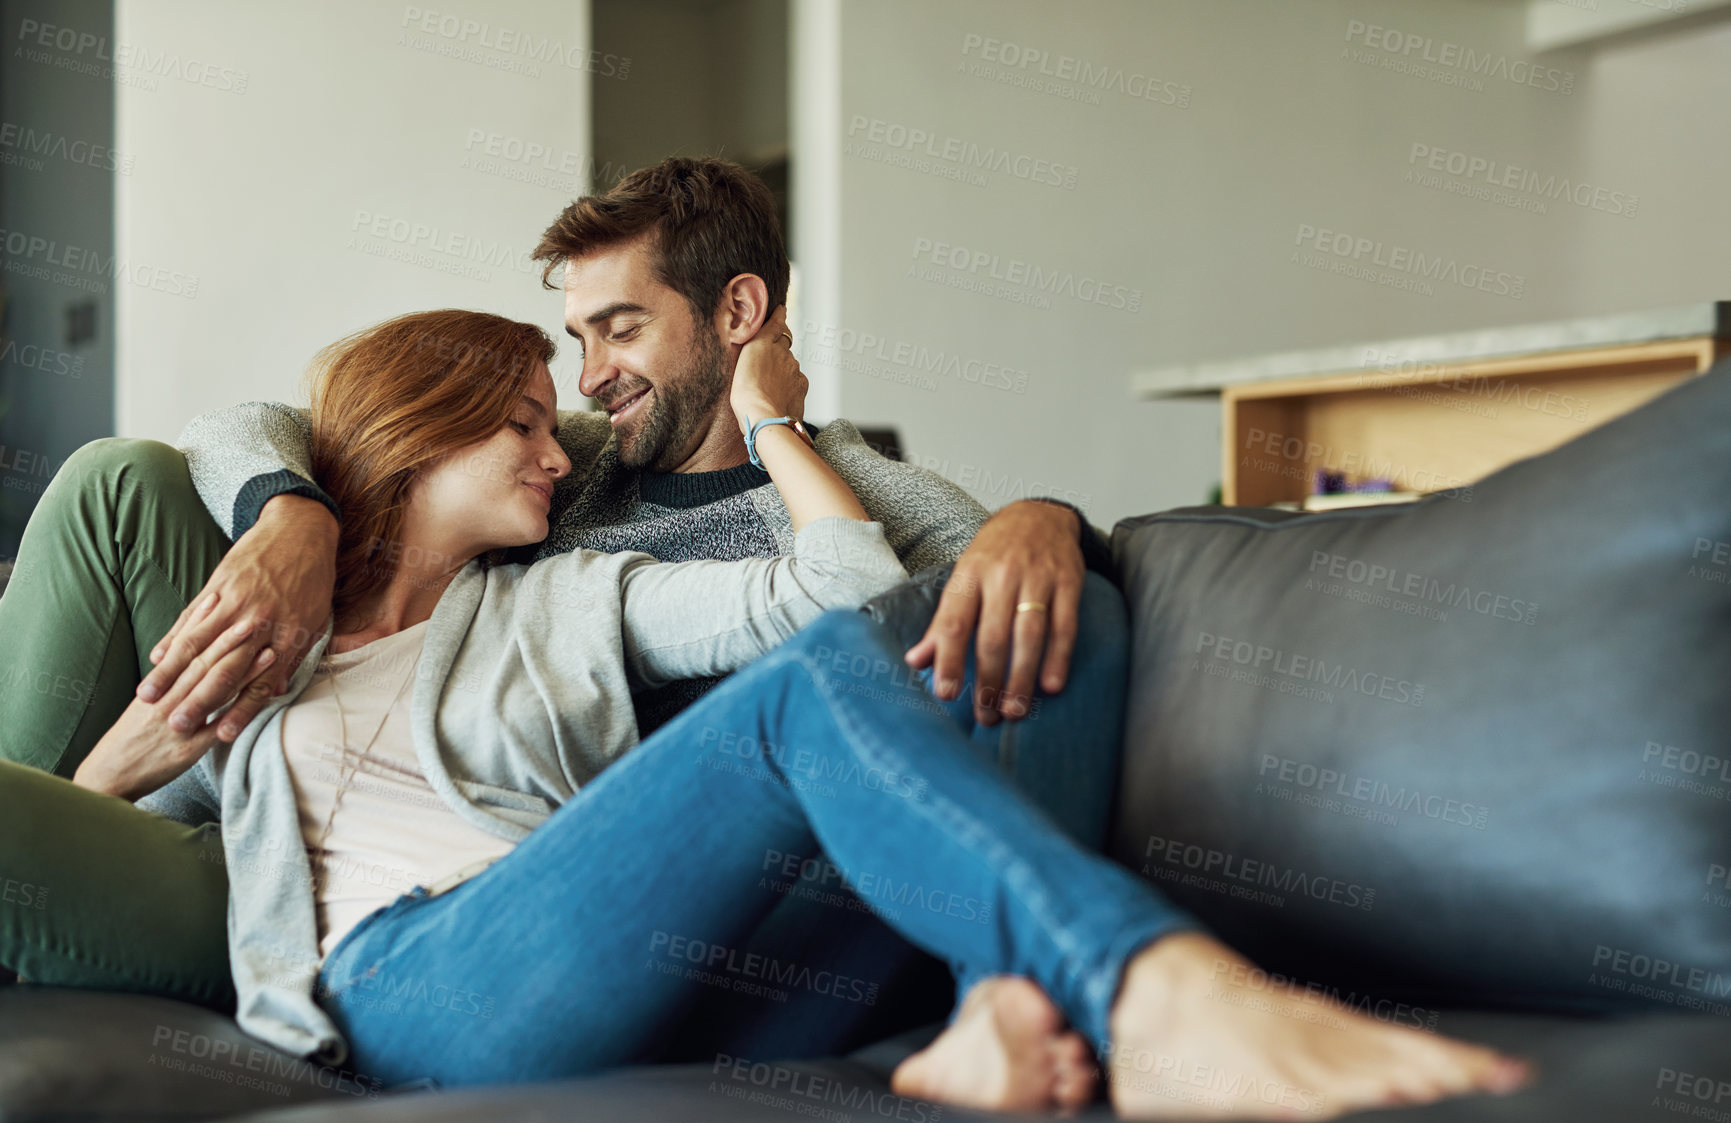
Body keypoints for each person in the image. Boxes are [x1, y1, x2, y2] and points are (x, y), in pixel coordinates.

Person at [56, 304, 1524, 1121]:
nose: (555, 451)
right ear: (418, 427)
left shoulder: (575, 594)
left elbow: (835, 591)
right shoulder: (270, 641)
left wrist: (773, 419)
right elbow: (131, 813)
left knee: (1011, 615)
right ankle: (1154, 989)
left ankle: (974, 1034)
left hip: (597, 967)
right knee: (802, 705)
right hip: (403, 987)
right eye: (515, 418)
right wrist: (164, 715)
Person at [0, 157, 1126, 1065]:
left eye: (620, 330)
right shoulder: (577, 468)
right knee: (122, 479)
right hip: (393, 873)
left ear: (740, 313)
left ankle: (1059, 993)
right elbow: (277, 423)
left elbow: (894, 583)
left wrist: (1043, 516)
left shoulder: (816, 503)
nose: (585, 385)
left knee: (872, 673)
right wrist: (293, 519)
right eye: (575, 340)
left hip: (646, 886)